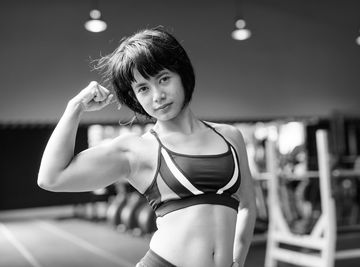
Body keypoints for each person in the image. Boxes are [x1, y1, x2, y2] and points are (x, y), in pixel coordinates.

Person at [38, 27, 257, 267]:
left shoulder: (229, 136)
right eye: (143, 88)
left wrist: (238, 259)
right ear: (135, 97)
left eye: (164, 79)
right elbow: (51, 177)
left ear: (182, 75)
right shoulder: (136, 150)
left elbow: (246, 205)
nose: (157, 95)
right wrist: (75, 106)